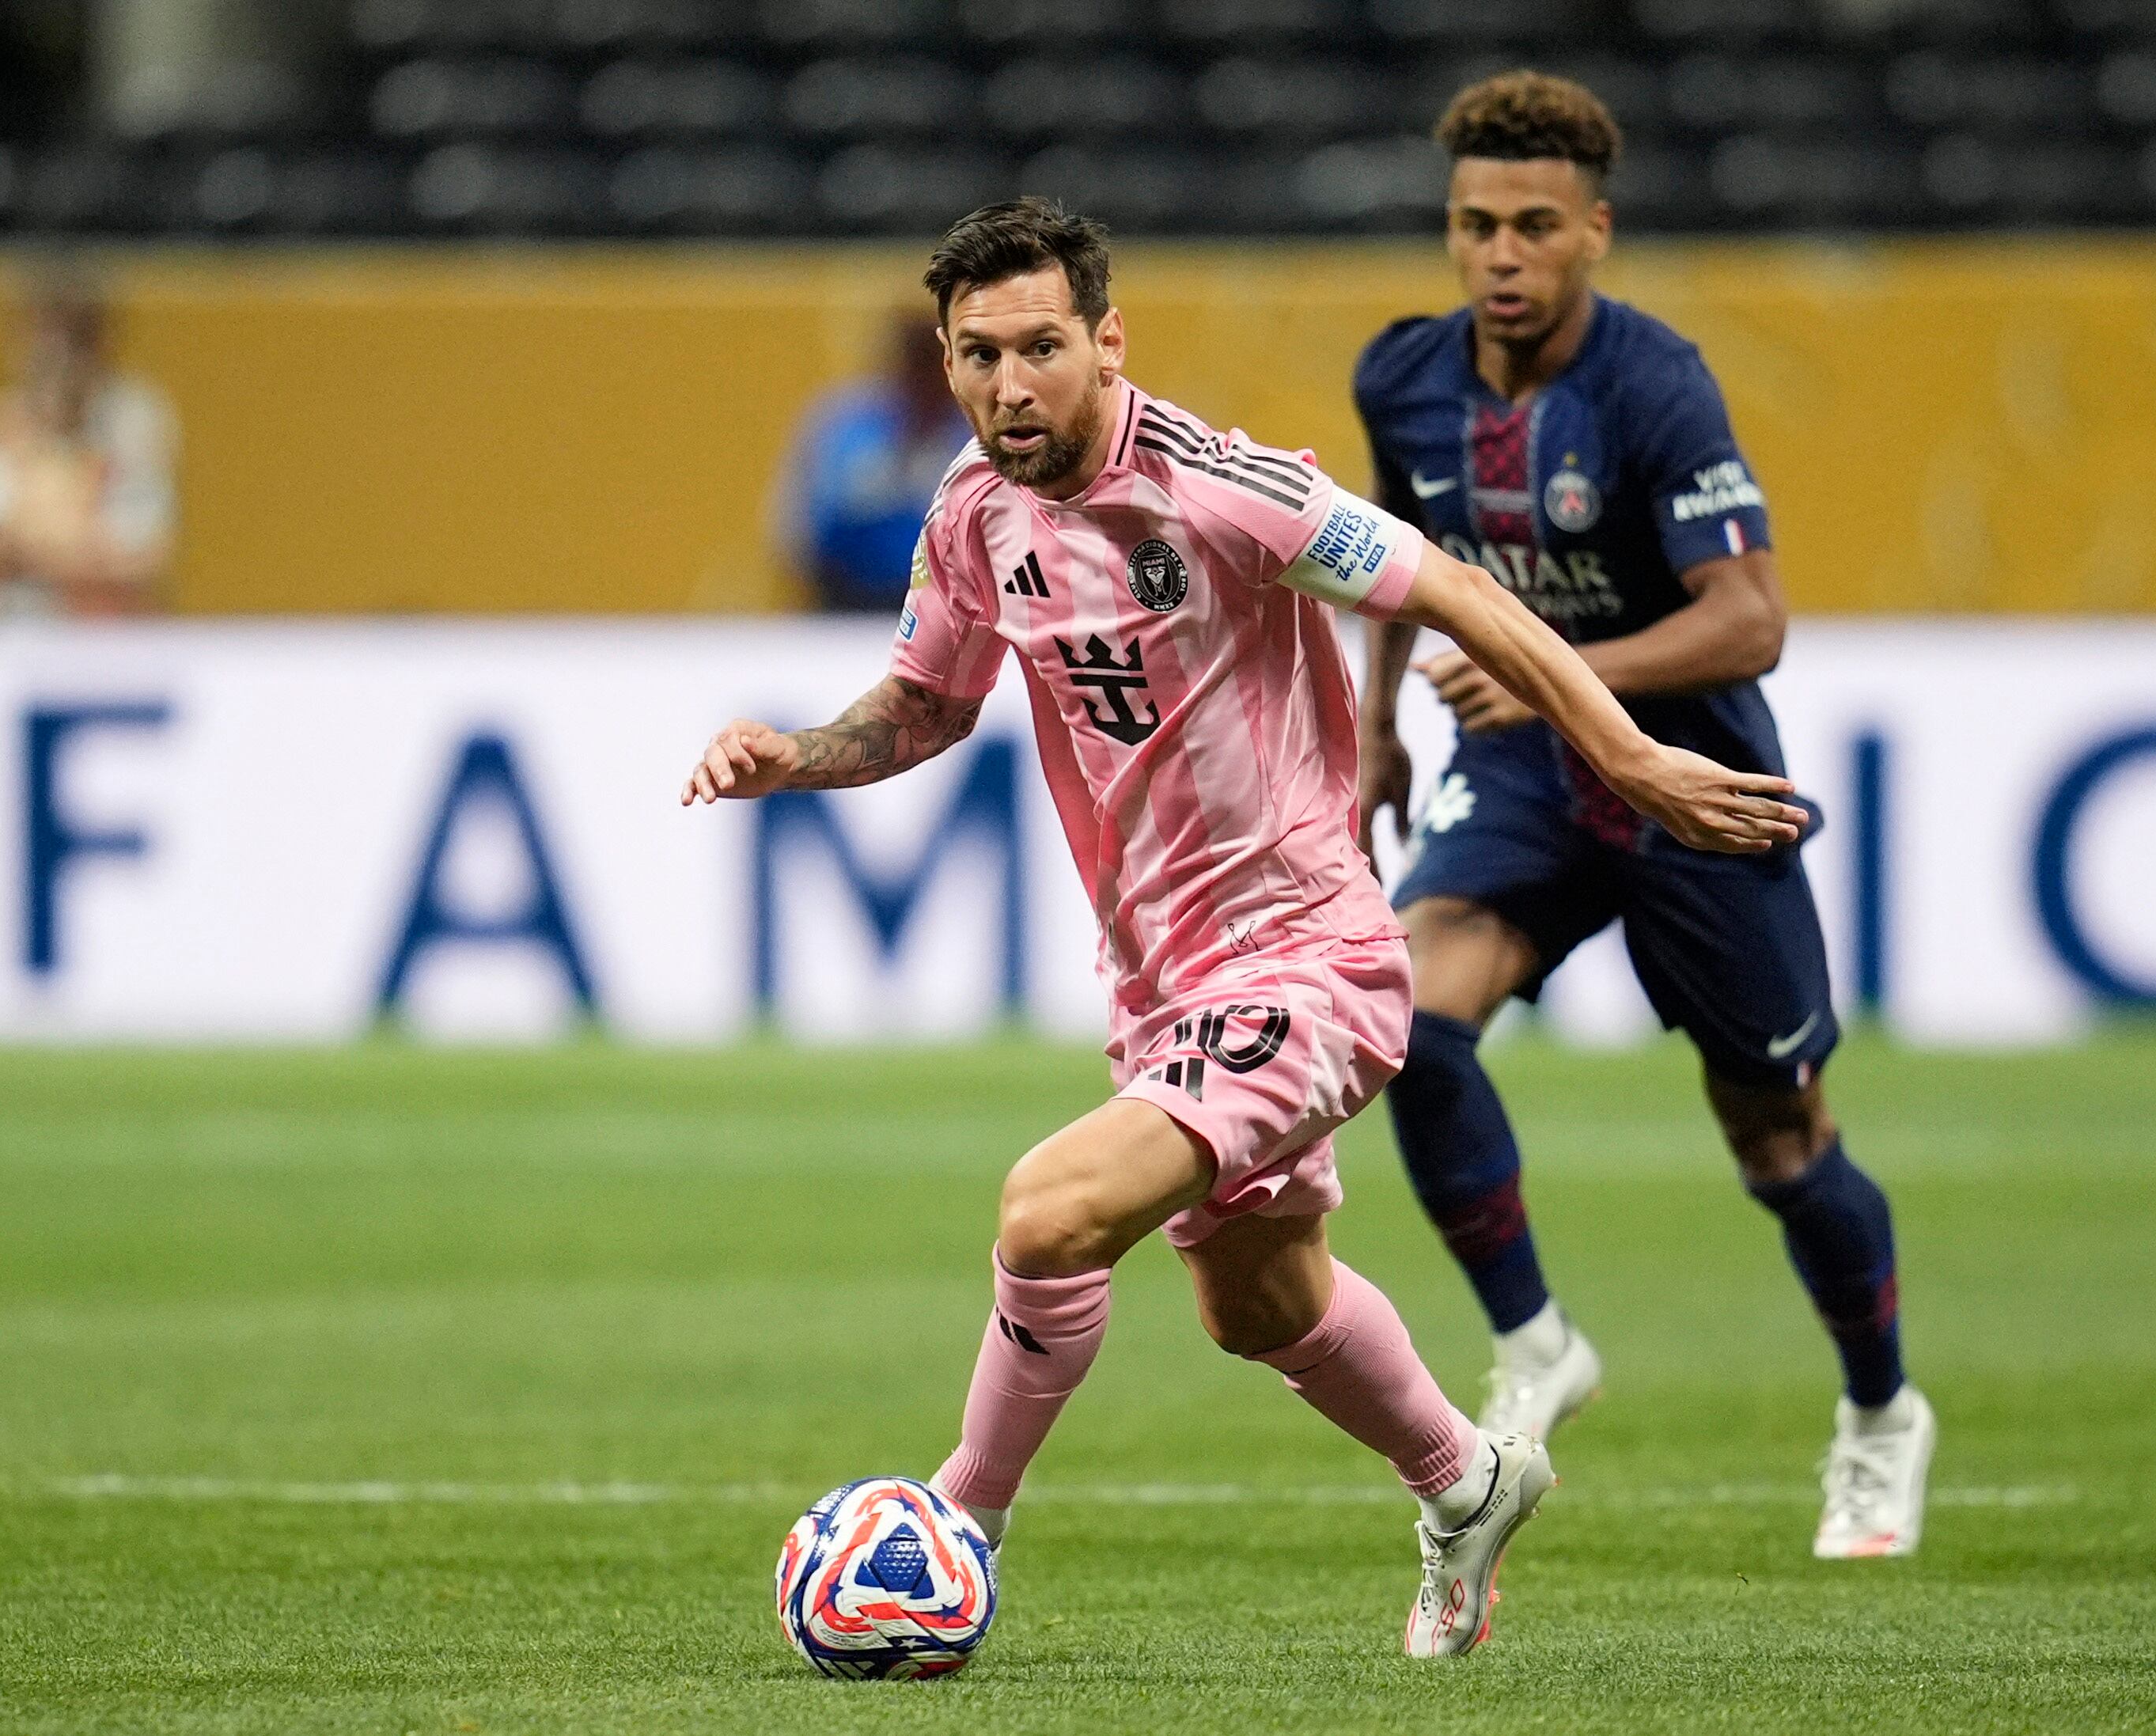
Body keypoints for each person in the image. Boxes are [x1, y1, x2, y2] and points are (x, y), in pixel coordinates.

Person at [683, 198, 1807, 1655]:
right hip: (1161, 977)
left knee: (1049, 1209)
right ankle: (1465, 1479)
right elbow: (923, 704)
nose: (1009, 385)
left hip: (1309, 956)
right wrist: (795, 752)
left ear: (1106, 340)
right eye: (978, 356)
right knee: (1257, 1299)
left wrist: (1630, 756)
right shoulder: (971, 510)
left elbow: (1459, 589)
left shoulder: (1222, 487)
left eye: (1039, 347)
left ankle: (957, 1516)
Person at [1351, 72, 1934, 1560]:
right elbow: (1391, 560)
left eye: (1533, 225)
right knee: (1406, 1020)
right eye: (1475, 222)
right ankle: (1536, 1338)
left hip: (1694, 791)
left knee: (1781, 1145)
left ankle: (1878, 1414)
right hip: (1530, 786)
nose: (1499, 253)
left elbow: (1749, 621)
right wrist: (1370, 734)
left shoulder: (1654, 385)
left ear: (1593, 232)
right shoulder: (1402, 378)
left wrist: (1551, 677)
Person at [0, 266, 176, 616]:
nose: (57, 355)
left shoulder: (130, 418)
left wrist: (43, 546)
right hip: (14, 632)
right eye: (42, 336)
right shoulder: (1, 422)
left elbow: (145, 555)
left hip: (104, 634)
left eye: (73, 338)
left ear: (101, 341)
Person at [769, 306, 968, 612]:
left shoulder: (972, 436)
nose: (925, 382)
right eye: (916, 366)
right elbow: (797, 530)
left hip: (946, 609)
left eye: (935, 367)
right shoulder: (845, 426)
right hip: (844, 605)